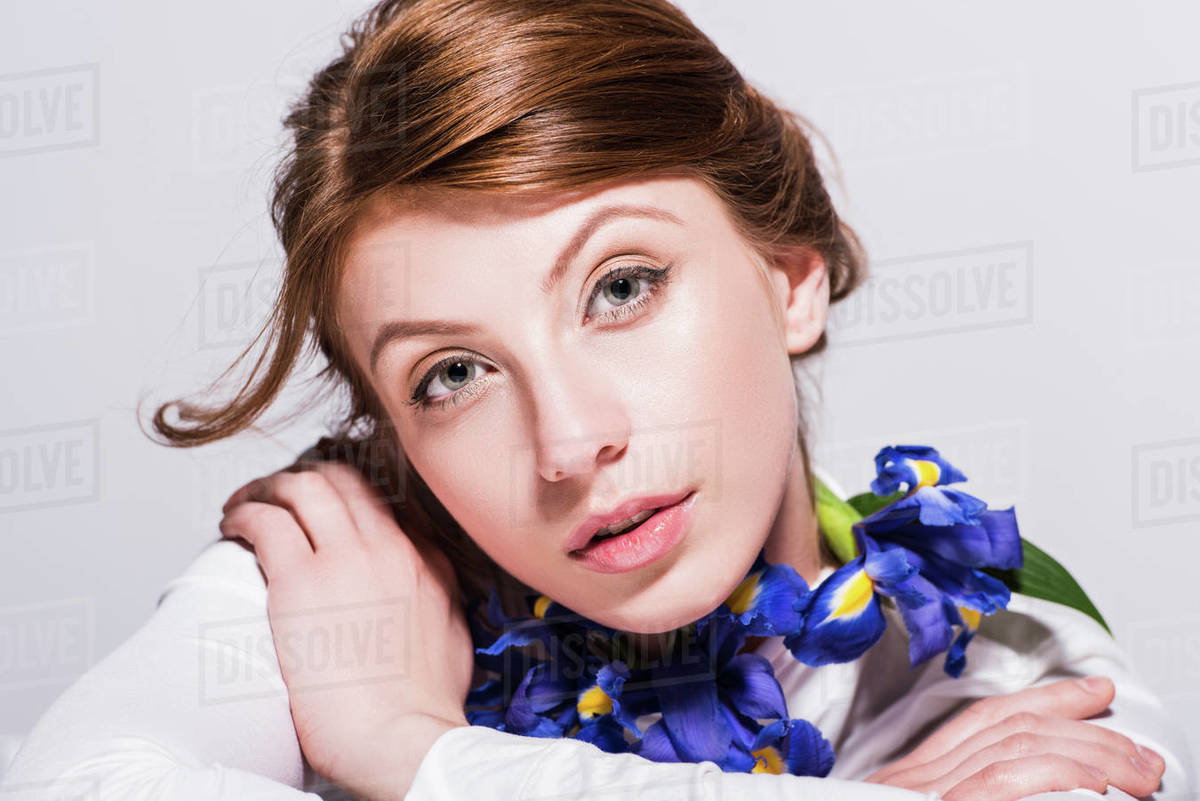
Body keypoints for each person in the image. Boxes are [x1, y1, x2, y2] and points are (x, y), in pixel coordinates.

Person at [2, 1, 1194, 799]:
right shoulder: (345, 588)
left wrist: (417, 754)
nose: (570, 443)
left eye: (621, 288)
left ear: (790, 279)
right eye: (452, 375)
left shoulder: (1019, 661)